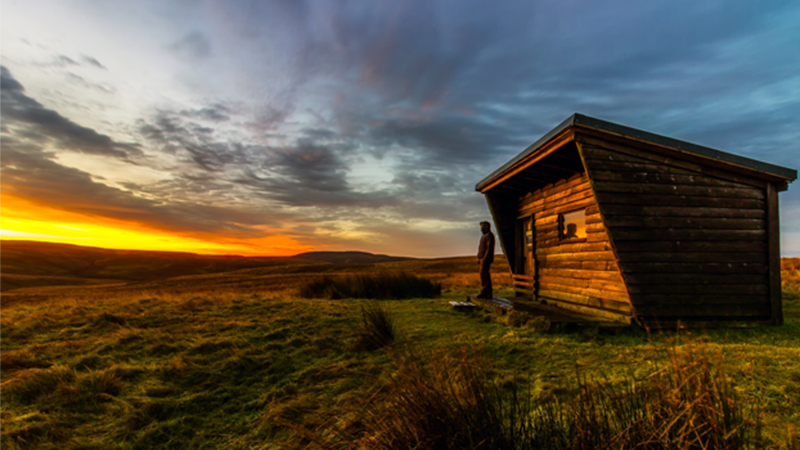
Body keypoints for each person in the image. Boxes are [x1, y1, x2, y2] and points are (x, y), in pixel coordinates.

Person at [477, 221, 495, 299]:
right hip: (482, 258)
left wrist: (485, 259)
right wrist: (479, 258)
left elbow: (489, 248)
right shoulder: (484, 236)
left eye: (483, 227)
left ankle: (486, 292)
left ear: (487, 227)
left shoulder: (489, 236)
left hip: (485, 259)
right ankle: (485, 291)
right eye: (481, 227)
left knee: (485, 275)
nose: (481, 229)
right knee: (483, 275)